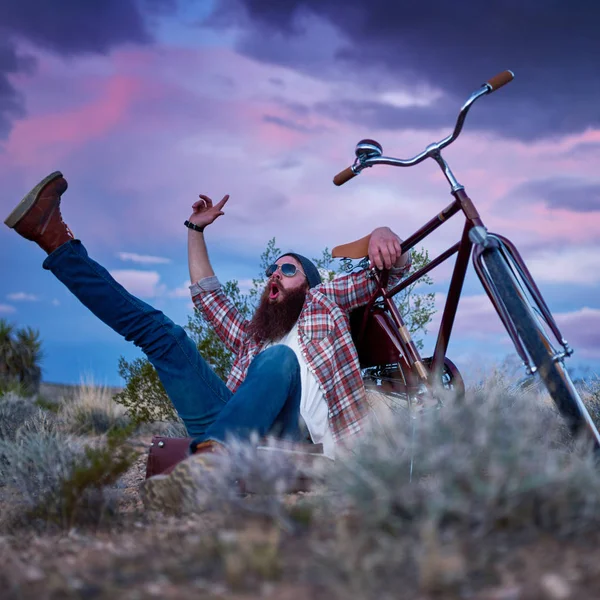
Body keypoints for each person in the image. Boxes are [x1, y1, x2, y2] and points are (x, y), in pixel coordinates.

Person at [4, 171, 411, 510]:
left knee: (280, 361)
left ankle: (210, 467)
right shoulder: (251, 336)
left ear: (310, 284)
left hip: (293, 446)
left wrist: (382, 233)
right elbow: (206, 295)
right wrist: (195, 230)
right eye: (271, 269)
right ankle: (54, 239)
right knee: (162, 333)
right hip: (230, 430)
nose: (275, 274)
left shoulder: (326, 303)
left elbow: (388, 273)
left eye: (287, 269)